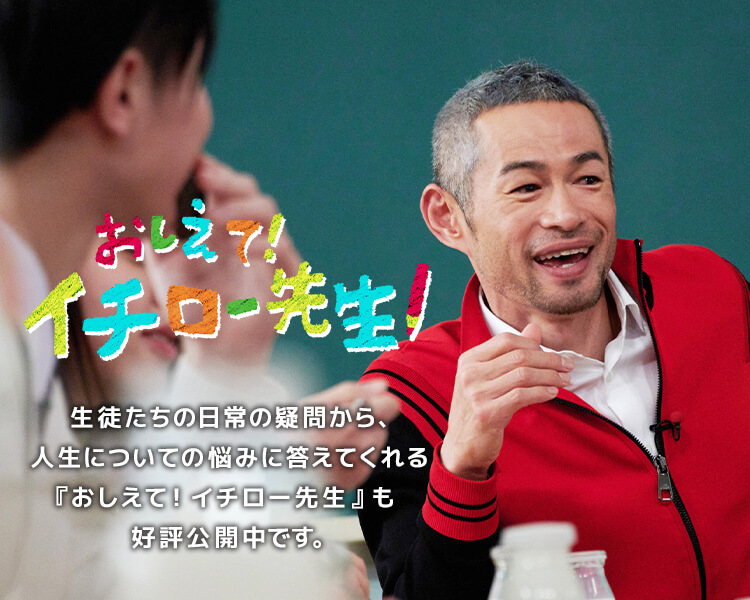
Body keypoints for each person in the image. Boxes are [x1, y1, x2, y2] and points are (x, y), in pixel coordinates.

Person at [0, 2, 396, 597]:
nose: (206, 121)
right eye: (194, 80)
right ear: (126, 93)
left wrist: (226, 381)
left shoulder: (32, 375)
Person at [358, 60, 750, 600]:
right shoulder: (403, 399)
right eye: (526, 187)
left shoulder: (713, 292)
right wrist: (463, 466)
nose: (566, 215)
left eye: (588, 179)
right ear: (448, 217)